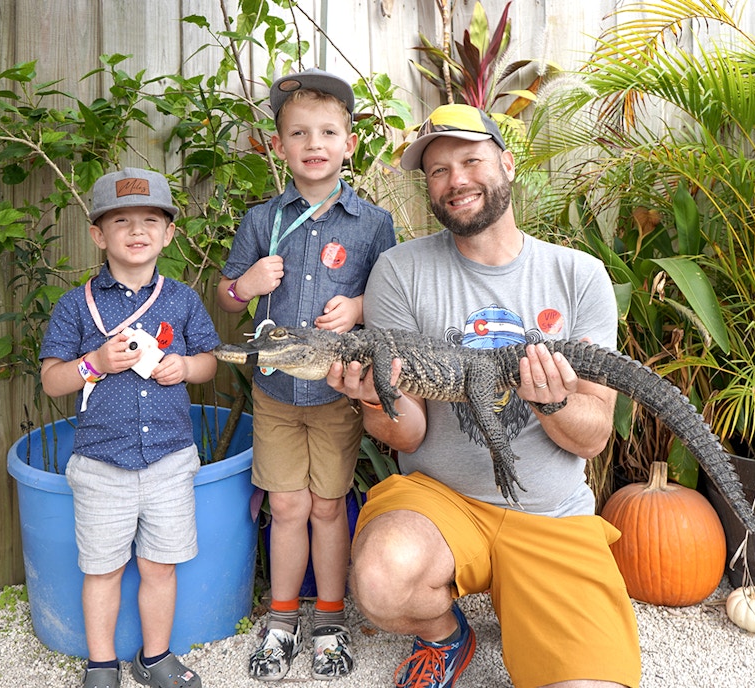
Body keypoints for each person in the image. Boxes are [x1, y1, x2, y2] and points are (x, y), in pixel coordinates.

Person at [326, 104, 642, 688]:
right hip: (442, 503)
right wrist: (374, 399)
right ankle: (447, 635)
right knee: (380, 579)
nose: (456, 180)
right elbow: (410, 432)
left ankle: (529, 603)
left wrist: (552, 402)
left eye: (470, 160)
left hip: (550, 516)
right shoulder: (399, 271)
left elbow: (595, 435)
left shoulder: (580, 275)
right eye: (439, 170)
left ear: (507, 163)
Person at [217, 68, 396, 681]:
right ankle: (282, 616)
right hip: (274, 393)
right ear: (280, 147)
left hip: (336, 394)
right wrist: (246, 285)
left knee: (327, 506)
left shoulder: (373, 224)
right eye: (299, 133)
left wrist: (361, 308)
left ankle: (329, 618)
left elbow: (392, 300)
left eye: (327, 132)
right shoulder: (261, 220)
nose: (313, 143)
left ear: (349, 144)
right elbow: (228, 298)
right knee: (287, 506)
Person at [40, 168, 219, 688]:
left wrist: (185, 368)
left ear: (168, 234)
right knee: (103, 569)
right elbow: (53, 380)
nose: (136, 231)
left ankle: (155, 656)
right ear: (99, 235)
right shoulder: (77, 305)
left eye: (150, 220)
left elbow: (209, 360)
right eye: (121, 221)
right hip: (100, 465)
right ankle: (101, 665)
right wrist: (94, 362)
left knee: (162, 566)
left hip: (169, 460)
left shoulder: (182, 298)